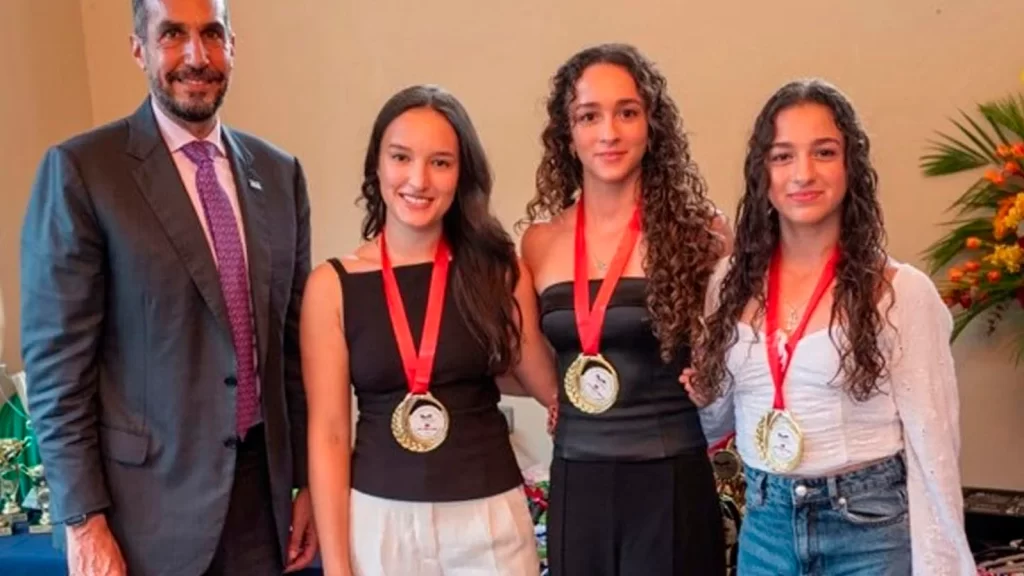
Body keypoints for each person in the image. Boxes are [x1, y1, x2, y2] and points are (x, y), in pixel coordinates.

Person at [19, 0, 316, 574]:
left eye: (212, 34)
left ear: (233, 46)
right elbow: (58, 367)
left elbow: (293, 350)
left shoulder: (280, 174)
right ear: (139, 49)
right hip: (141, 517)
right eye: (173, 34)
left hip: (261, 506)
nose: (196, 56)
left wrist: (306, 482)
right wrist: (83, 520)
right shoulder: (85, 172)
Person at [687, 78, 976, 575]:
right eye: (783, 156)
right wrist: (702, 392)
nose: (803, 173)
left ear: (851, 166)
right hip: (766, 527)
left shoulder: (900, 292)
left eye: (824, 152)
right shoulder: (727, 284)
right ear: (762, 173)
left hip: (868, 530)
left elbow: (935, 452)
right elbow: (716, 422)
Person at [301, 84, 558, 576]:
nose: (418, 179)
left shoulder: (498, 271)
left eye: (440, 162)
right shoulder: (331, 285)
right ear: (377, 166)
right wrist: (336, 566)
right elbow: (330, 434)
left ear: (462, 174)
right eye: (401, 157)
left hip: (489, 518)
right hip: (380, 522)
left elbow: (549, 387)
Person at [520, 43, 732, 575]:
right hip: (577, 481)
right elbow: (530, 354)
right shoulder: (539, 243)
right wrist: (557, 399)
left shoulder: (701, 235)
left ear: (652, 125)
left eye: (627, 113)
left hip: (671, 480)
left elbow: (728, 358)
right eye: (589, 116)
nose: (609, 133)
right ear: (567, 133)